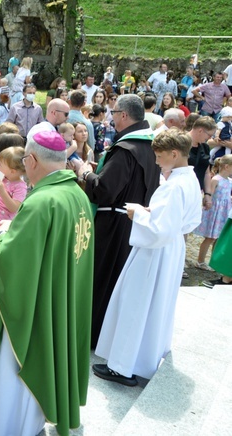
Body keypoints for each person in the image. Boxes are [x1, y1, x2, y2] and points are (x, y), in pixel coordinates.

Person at [0, 131, 94, 436]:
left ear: (31, 160)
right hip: (57, 297)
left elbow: (13, 256)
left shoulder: (41, 201)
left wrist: (5, 233)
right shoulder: (77, 195)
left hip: (32, 306)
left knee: (11, 367)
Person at [95, 129, 202, 385]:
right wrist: (151, 212)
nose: (155, 161)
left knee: (137, 303)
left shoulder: (174, 187)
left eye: (159, 155)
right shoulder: (189, 179)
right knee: (155, 305)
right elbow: (184, 221)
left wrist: (137, 213)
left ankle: (122, 366)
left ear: (174, 154)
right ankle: (141, 357)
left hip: (155, 252)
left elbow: (157, 230)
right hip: (171, 248)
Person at [77, 94, 161, 346]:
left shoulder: (125, 148)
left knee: (103, 280)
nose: (112, 118)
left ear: (124, 115)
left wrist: (86, 173)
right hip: (134, 222)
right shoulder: (151, 144)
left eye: (114, 114)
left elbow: (104, 190)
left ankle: (92, 336)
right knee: (120, 283)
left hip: (113, 226)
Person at [195, 155, 232, 270]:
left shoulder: (229, 180)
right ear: (226, 166)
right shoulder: (216, 179)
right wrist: (208, 201)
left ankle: (214, 261)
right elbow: (209, 194)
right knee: (210, 237)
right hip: (215, 211)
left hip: (224, 212)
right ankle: (200, 261)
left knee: (218, 238)